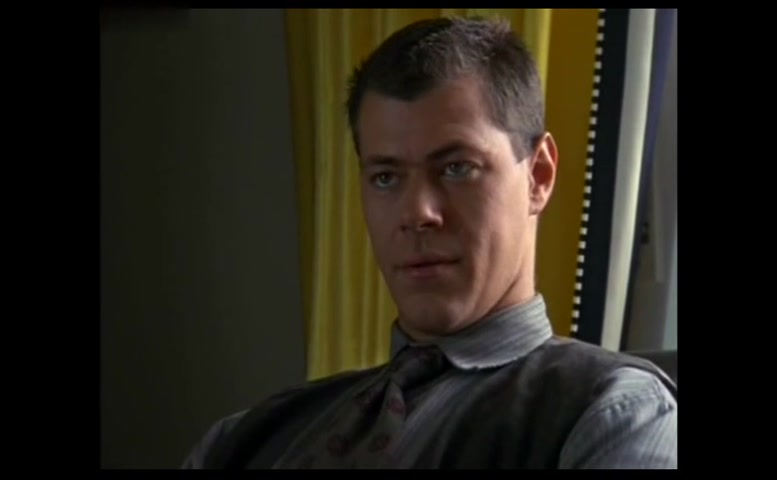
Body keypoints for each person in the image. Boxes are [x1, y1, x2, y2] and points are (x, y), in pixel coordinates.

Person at [182, 16, 677, 469]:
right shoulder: (244, 439)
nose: (417, 213)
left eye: (457, 168)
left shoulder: (613, 414)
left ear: (539, 176)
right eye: (385, 177)